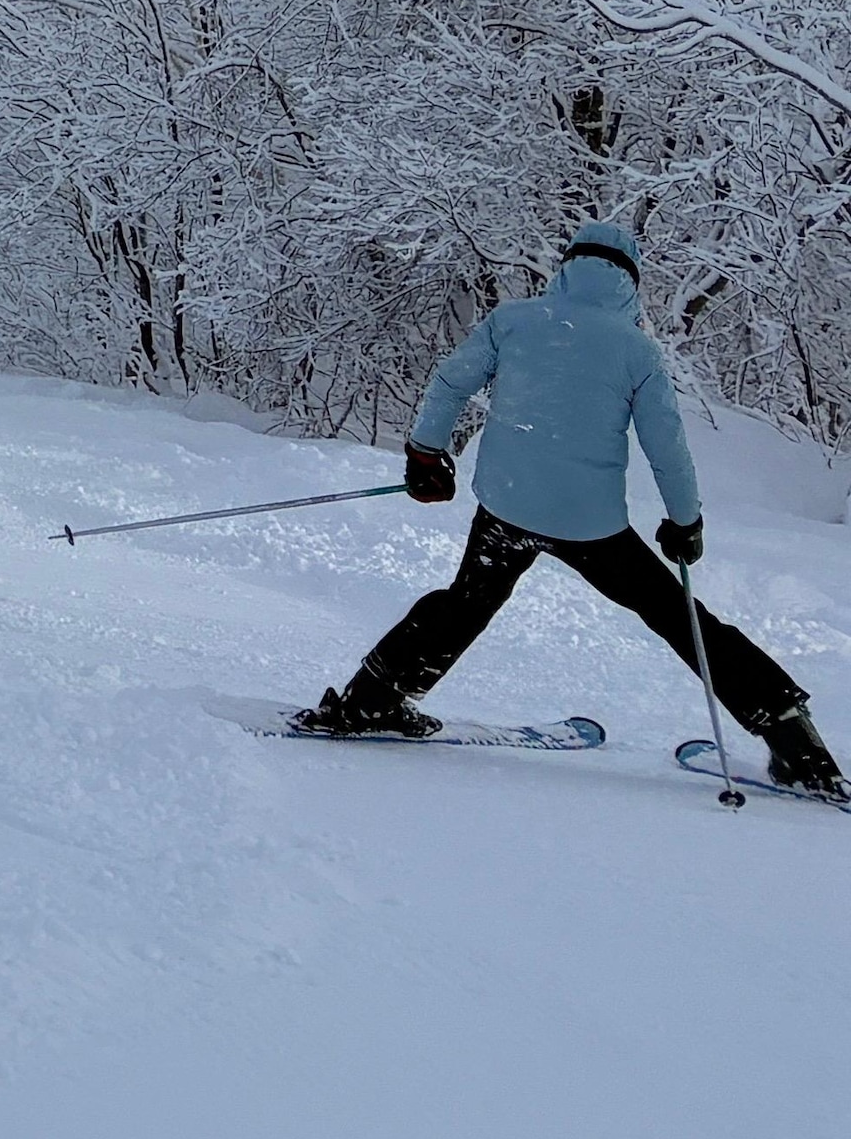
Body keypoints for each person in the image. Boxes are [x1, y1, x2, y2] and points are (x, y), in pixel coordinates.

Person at [299, 218, 842, 790]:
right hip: (592, 527)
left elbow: (449, 383)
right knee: (680, 619)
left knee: (463, 604)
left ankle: (368, 702)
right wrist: (686, 522)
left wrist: (425, 455)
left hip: (508, 510)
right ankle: (792, 739)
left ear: (567, 269)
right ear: (630, 283)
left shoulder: (513, 321)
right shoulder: (637, 350)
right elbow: (669, 452)